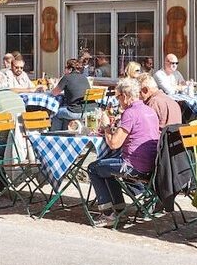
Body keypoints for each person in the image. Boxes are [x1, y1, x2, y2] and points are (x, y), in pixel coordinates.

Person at [88, 78, 160, 226]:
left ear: (125, 96)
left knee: (93, 168)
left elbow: (114, 144)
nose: (117, 100)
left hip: (133, 166)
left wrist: (107, 126)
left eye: (118, 96)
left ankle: (108, 214)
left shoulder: (130, 113)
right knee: (106, 170)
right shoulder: (149, 110)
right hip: (152, 164)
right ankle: (119, 211)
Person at [51, 58, 94, 131]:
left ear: (70, 69)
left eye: (65, 68)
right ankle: (66, 131)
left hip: (76, 111)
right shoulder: (84, 78)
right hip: (90, 110)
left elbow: (54, 93)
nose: (64, 70)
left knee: (56, 113)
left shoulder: (66, 78)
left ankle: (54, 134)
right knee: (64, 111)